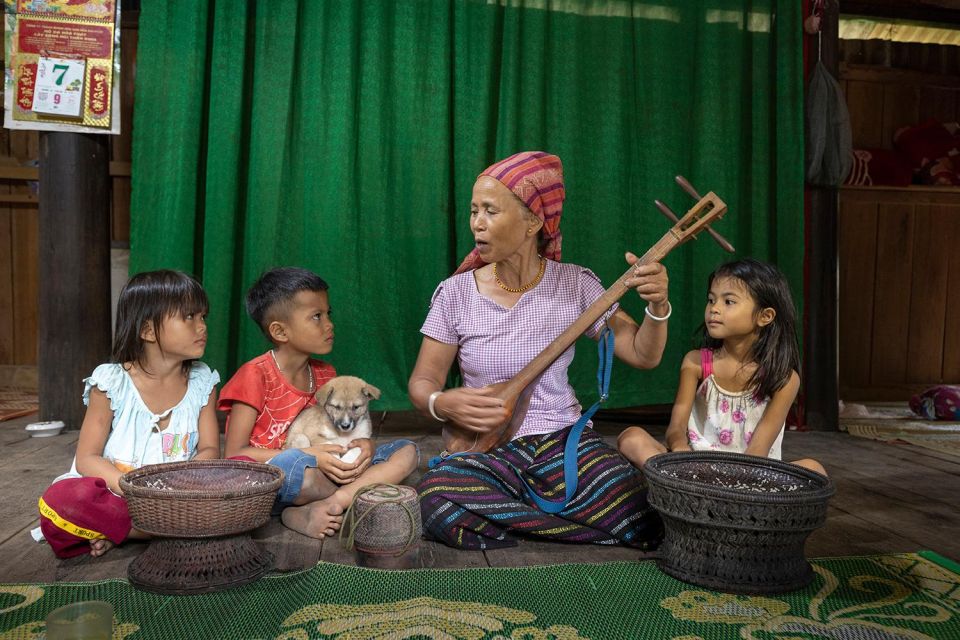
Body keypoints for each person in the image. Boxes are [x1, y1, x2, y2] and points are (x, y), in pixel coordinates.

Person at [409, 151, 668, 550]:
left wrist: (657, 307)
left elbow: (641, 354)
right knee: (438, 494)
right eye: (474, 210)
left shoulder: (577, 284)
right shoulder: (455, 293)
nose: (477, 222)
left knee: (630, 496)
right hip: (490, 449)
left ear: (533, 222)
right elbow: (424, 381)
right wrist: (440, 403)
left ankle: (513, 520)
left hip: (562, 443)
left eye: (491, 211)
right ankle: (565, 521)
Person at [220, 267, 417, 539]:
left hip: (328, 468)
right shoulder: (255, 375)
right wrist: (311, 456)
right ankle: (329, 502)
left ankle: (328, 504)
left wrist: (366, 447)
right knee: (308, 477)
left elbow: (340, 432)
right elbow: (234, 455)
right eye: (316, 317)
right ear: (280, 331)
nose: (329, 324)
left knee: (407, 452)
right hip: (277, 478)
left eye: (328, 314)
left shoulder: (327, 375)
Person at [36, 270, 221, 558]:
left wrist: (183, 485)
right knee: (62, 500)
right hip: (118, 492)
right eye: (189, 317)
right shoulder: (111, 383)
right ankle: (145, 530)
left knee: (237, 475)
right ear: (147, 331)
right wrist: (136, 489)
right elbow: (87, 458)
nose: (202, 326)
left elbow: (210, 448)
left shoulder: (202, 383)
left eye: (203, 317)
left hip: (178, 497)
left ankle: (120, 531)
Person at [617, 258, 826, 475]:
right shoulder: (696, 362)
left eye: (728, 302)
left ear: (765, 316)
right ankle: (689, 487)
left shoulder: (784, 378)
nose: (714, 309)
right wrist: (681, 449)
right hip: (694, 468)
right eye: (711, 300)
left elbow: (759, 449)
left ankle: (723, 499)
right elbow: (676, 427)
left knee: (814, 469)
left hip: (751, 473)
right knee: (631, 437)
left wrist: (735, 479)